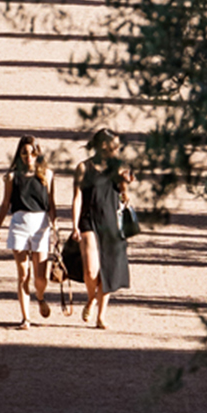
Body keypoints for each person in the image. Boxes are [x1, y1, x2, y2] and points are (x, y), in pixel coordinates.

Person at [0, 133, 57, 327]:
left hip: (41, 225)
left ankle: (40, 296)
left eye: (32, 153)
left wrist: (56, 227)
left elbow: (52, 205)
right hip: (19, 224)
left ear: (37, 154)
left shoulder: (47, 175)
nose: (29, 157)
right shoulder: (12, 177)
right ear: (19, 154)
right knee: (23, 274)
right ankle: (26, 318)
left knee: (41, 277)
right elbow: (5, 204)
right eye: (25, 153)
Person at [74, 130, 132, 327]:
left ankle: (100, 315)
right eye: (113, 146)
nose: (117, 150)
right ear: (102, 146)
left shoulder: (119, 167)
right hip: (88, 220)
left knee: (107, 268)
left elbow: (125, 196)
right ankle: (92, 298)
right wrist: (73, 225)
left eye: (118, 147)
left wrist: (125, 183)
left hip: (110, 222)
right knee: (91, 270)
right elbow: (77, 197)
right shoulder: (83, 167)